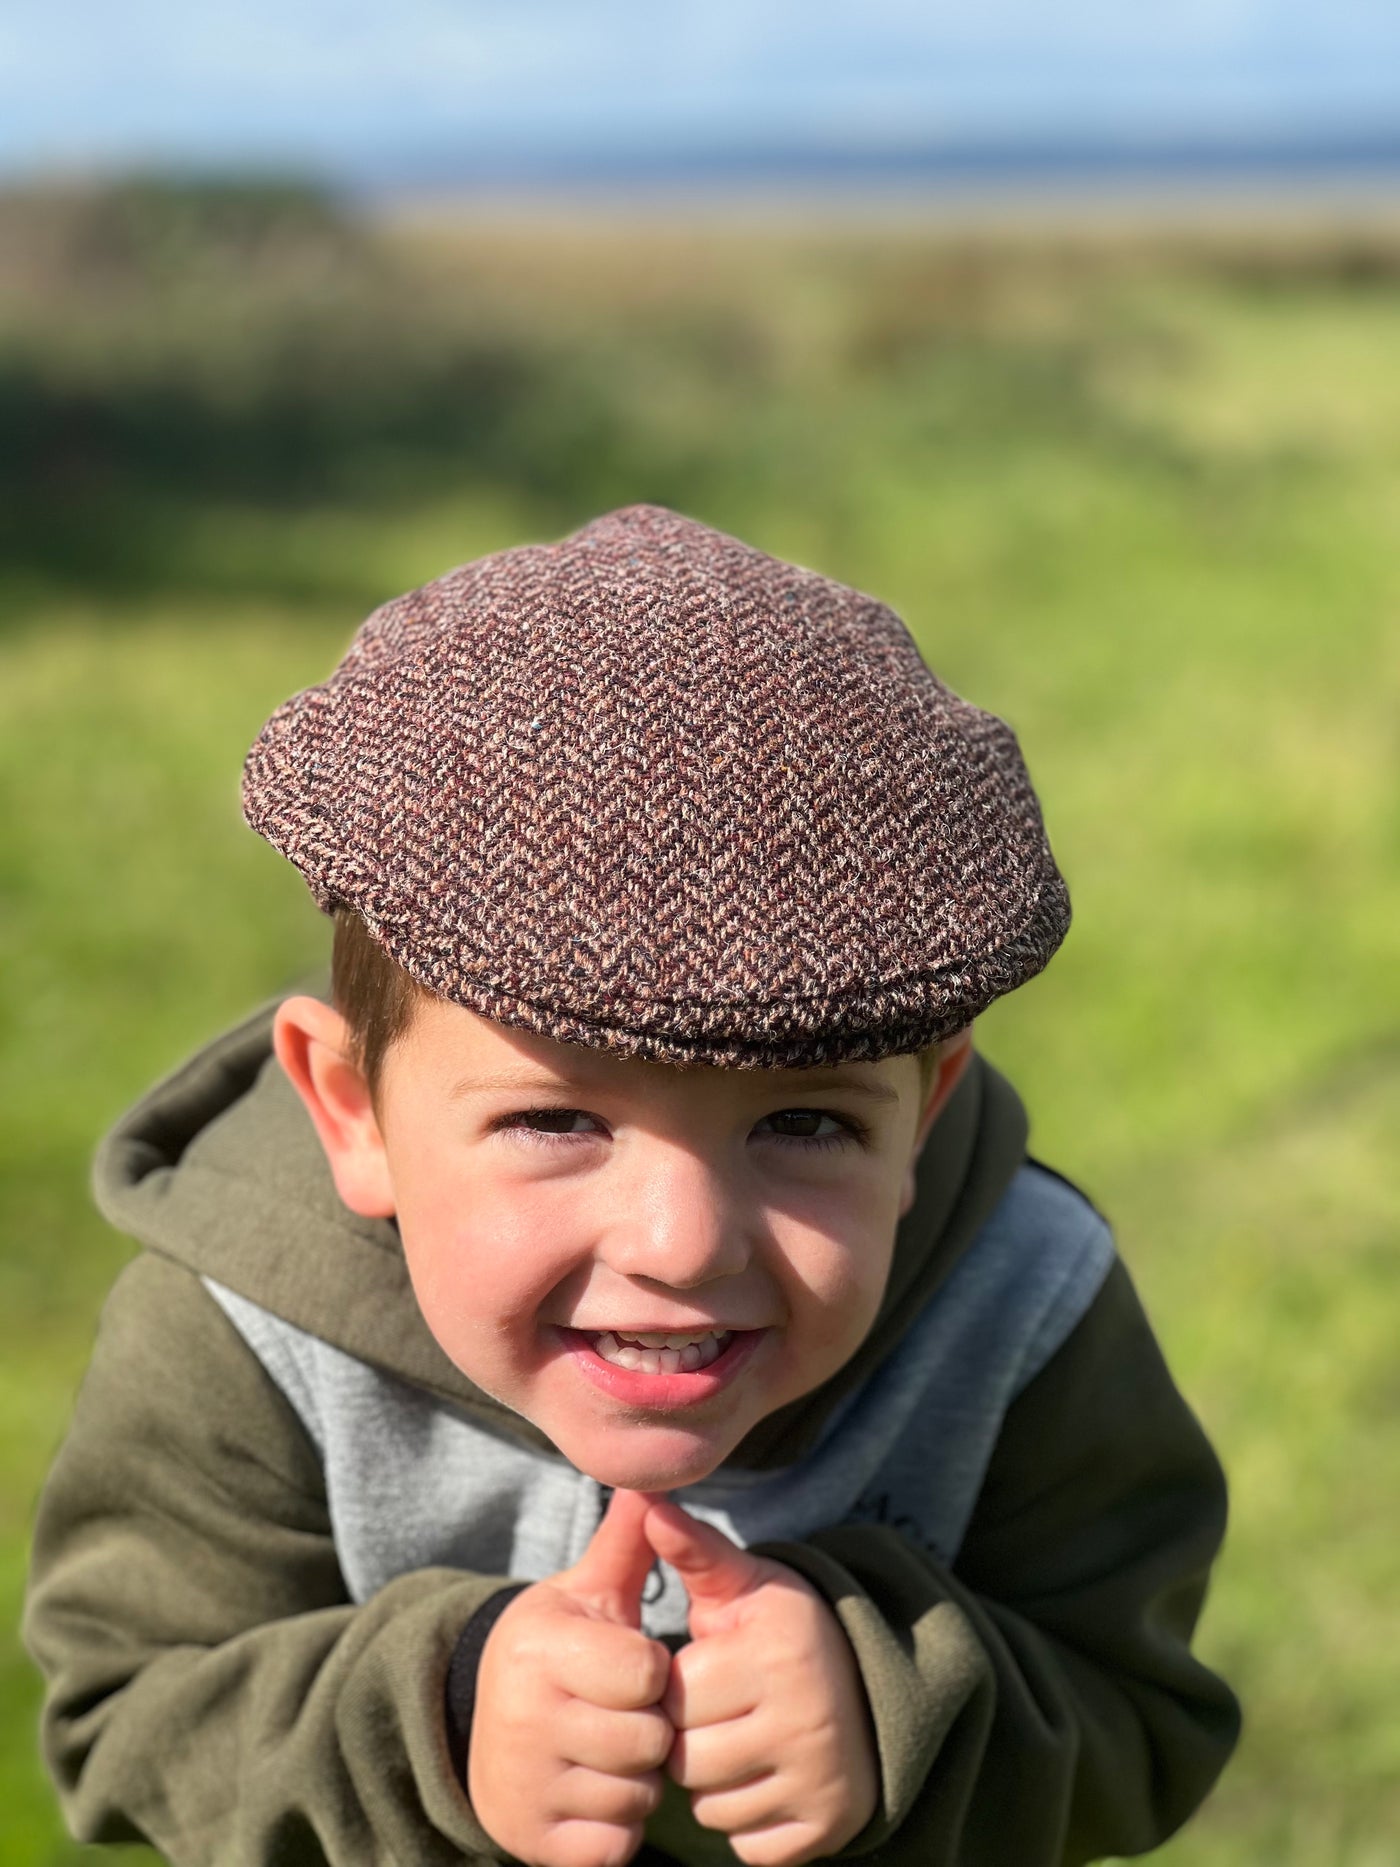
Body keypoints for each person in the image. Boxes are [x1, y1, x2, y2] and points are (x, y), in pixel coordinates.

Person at [23, 504, 1239, 1867]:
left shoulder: (1023, 1306)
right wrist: (442, 1707)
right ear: (350, 1108)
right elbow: (125, 1717)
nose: (679, 1242)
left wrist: (895, 1703)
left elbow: (1140, 1718)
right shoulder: (242, 1333)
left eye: (805, 1124)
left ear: (925, 1108)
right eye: (555, 1122)